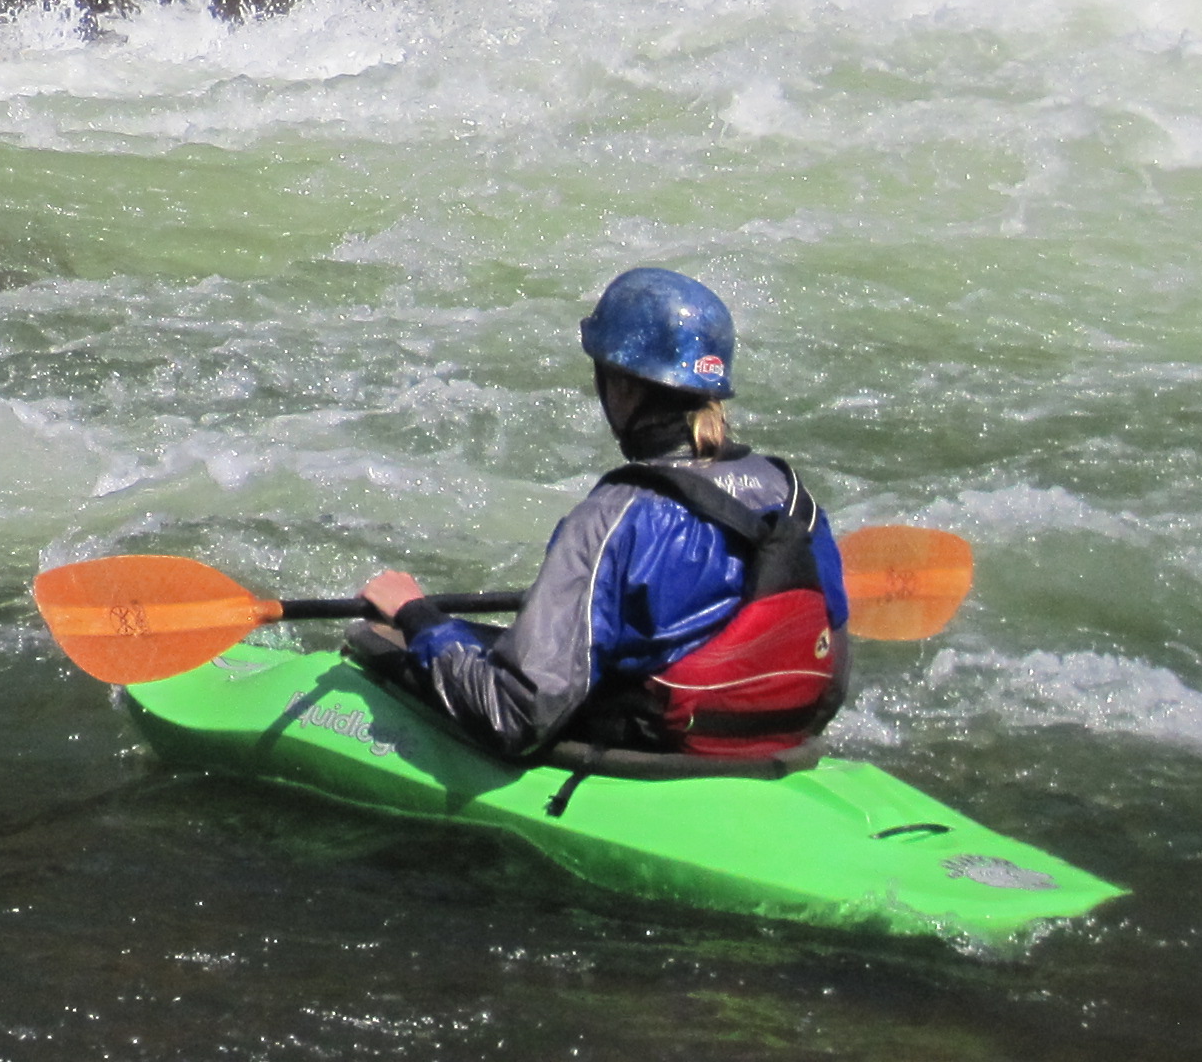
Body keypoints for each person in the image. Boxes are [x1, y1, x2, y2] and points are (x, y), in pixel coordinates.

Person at [346, 267, 853, 763]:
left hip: (662, 745)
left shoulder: (613, 517)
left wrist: (416, 616)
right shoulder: (792, 499)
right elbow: (832, 682)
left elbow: (516, 714)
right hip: (772, 742)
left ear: (625, 387)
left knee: (376, 641)